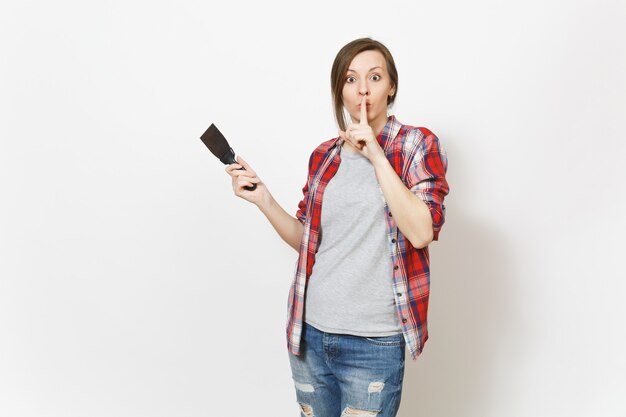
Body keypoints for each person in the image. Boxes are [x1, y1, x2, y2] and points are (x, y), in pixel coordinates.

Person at [225, 37, 449, 417]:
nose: (363, 89)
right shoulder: (324, 155)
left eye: (375, 77)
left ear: (391, 86)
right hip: (311, 334)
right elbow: (308, 241)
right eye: (350, 79)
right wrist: (263, 198)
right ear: (339, 91)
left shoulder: (416, 145)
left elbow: (422, 231)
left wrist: (376, 155)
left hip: (374, 342)